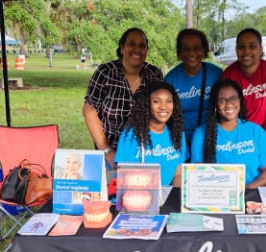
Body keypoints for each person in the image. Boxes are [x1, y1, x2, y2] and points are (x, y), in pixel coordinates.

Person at [83, 28, 164, 166]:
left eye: (142, 45)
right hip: (110, 154)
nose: (137, 50)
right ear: (121, 48)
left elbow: (161, 113)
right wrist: (106, 150)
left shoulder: (154, 74)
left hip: (145, 154)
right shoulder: (105, 73)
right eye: (131, 44)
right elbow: (89, 111)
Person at [220, 27, 266, 171]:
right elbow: (226, 116)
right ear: (236, 49)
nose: (246, 51)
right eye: (241, 47)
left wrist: (265, 153)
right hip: (241, 136)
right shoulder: (229, 74)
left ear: (260, 49)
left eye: (252, 46)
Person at [190, 79, 266, 189]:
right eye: (222, 100)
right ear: (215, 104)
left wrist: (243, 192)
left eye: (233, 98)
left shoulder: (256, 131)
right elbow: (198, 173)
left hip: (250, 194)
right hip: (214, 196)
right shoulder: (201, 133)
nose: (229, 104)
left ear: (240, 100)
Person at [114, 81, 187, 186]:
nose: (163, 107)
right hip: (137, 195)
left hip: (166, 196)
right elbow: (125, 177)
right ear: (147, 104)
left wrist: (178, 196)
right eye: (156, 101)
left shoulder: (177, 133)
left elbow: (178, 174)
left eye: (169, 101)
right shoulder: (131, 135)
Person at [164, 28, 222, 143]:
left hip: (210, 138)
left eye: (197, 48)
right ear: (179, 52)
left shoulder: (216, 74)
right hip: (178, 139)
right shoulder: (170, 79)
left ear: (204, 50)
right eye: (186, 49)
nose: (191, 53)